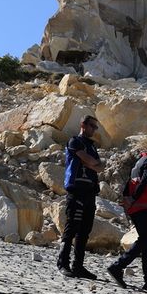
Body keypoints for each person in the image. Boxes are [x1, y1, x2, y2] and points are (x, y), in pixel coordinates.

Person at [107, 143, 147, 292]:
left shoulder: (140, 161)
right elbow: (146, 180)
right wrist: (134, 198)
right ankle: (117, 266)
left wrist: (128, 200)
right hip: (143, 206)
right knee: (146, 240)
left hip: (137, 208)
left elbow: (130, 182)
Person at [57, 115, 104, 279]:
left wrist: (89, 161)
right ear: (83, 125)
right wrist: (89, 161)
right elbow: (89, 161)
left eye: (96, 127)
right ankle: (63, 263)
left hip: (90, 192)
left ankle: (78, 266)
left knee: (85, 230)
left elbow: (99, 167)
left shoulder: (91, 146)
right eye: (92, 126)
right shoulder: (74, 141)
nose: (94, 130)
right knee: (72, 227)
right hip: (76, 189)